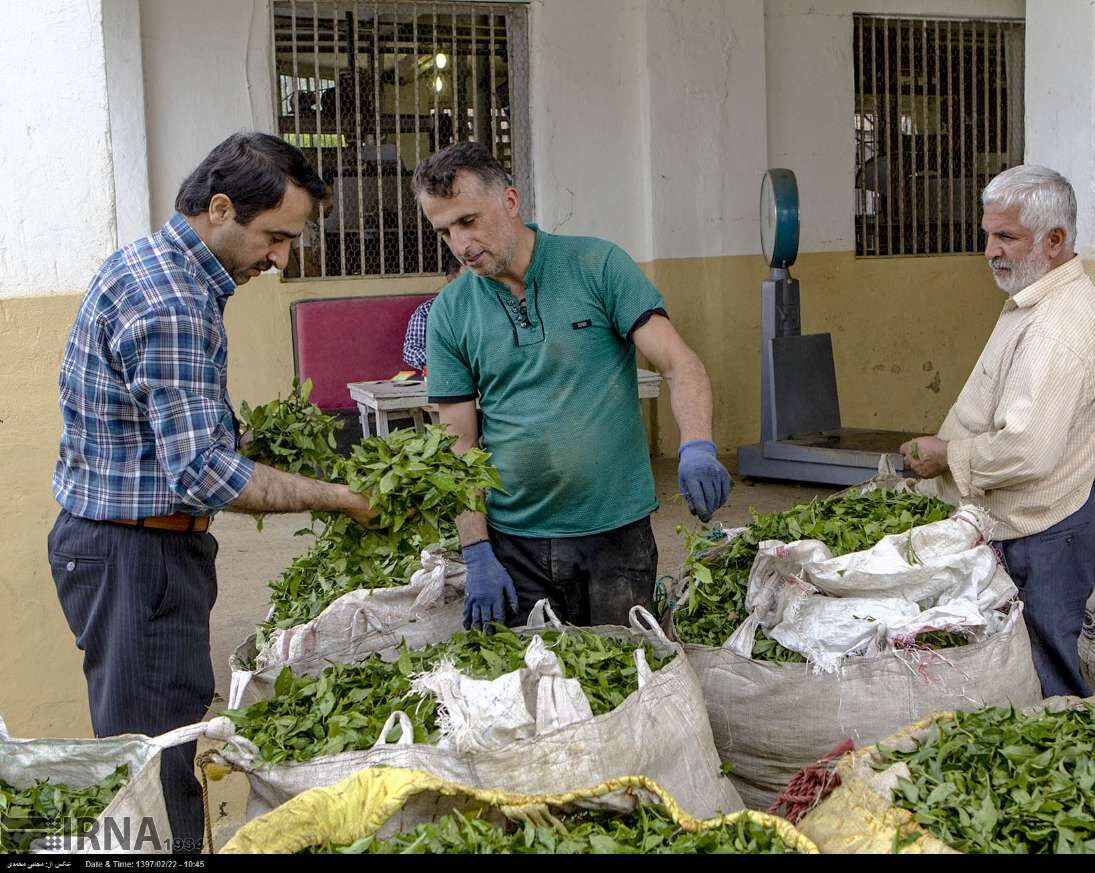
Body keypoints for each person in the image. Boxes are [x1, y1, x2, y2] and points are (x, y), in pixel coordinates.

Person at [48, 132, 375, 851]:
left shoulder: (159, 267)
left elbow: (169, 433)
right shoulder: (173, 303)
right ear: (221, 207)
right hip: (137, 559)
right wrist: (338, 495)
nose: (282, 259)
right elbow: (202, 473)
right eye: (275, 237)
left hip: (119, 546)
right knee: (157, 764)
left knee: (155, 751)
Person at [413, 141, 731, 630]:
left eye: (469, 221)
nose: (460, 245)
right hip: (513, 545)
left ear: (511, 202)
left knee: (624, 676)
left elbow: (678, 362)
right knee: (533, 691)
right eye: (445, 231)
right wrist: (476, 550)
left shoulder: (596, 265)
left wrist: (697, 445)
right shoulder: (450, 311)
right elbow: (458, 445)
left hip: (615, 536)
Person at [899, 164, 1095, 698]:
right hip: (1041, 524)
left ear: (1056, 240)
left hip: (1045, 533)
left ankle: (1069, 769)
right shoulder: (1038, 296)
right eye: (989, 235)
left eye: (1006, 237)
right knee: (1030, 667)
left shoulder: (1056, 327)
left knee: (1050, 676)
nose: (991, 251)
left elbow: (1027, 449)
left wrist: (947, 455)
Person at [402, 247, 460, 373]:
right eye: (464, 280)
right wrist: (445, 359)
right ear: (450, 280)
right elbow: (410, 350)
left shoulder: (484, 308)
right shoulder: (427, 311)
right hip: (446, 377)